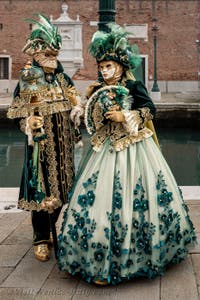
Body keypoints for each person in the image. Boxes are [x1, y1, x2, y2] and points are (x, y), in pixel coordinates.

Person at [57, 24, 196, 285]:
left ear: (120, 66)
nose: (104, 71)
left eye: (108, 66)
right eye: (101, 67)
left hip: (135, 147)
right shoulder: (99, 87)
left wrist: (126, 115)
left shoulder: (133, 86)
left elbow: (150, 109)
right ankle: (98, 260)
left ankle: (140, 254)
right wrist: (82, 108)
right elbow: (92, 113)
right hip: (107, 147)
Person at [7, 14, 83, 262]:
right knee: (42, 194)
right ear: (36, 55)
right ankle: (40, 237)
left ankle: (53, 227)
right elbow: (18, 112)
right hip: (42, 148)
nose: (53, 60)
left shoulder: (63, 79)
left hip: (64, 147)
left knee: (61, 192)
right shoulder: (29, 78)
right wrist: (28, 122)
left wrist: (76, 110)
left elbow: (74, 101)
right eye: (48, 55)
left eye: (55, 55)